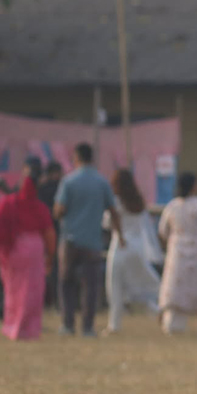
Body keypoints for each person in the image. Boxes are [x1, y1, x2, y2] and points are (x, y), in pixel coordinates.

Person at [53, 143, 124, 337]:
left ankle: (67, 324)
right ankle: (87, 327)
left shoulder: (68, 181)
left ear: (76, 157)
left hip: (70, 239)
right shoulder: (102, 182)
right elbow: (113, 211)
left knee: (66, 283)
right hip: (93, 241)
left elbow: (59, 210)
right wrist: (121, 236)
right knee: (91, 286)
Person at [0, 157, 55, 340]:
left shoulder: (8, 203)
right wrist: (50, 255)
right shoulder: (39, 207)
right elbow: (49, 233)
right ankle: (28, 328)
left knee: (13, 289)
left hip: (13, 250)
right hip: (34, 250)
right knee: (33, 289)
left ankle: (12, 325)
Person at [157, 172, 197, 335]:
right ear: (194, 186)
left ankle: (172, 323)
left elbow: (163, 231)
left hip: (177, 251)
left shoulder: (172, 206)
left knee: (176, 287)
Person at [104, 168, 162, 334]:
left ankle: (114, 324)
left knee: (115, 286)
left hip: (119, 246)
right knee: (139, 285)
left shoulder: (115, 202)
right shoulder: (138, 201)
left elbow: (107, 223)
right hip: (137, 247)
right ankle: (157, 309)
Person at [37, 161, 64, 306]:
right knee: (56, 269)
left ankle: (46, 300)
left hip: (43, 235)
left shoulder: (40, 189)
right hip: (56, 234)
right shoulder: (60, 188)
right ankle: (56, 301)